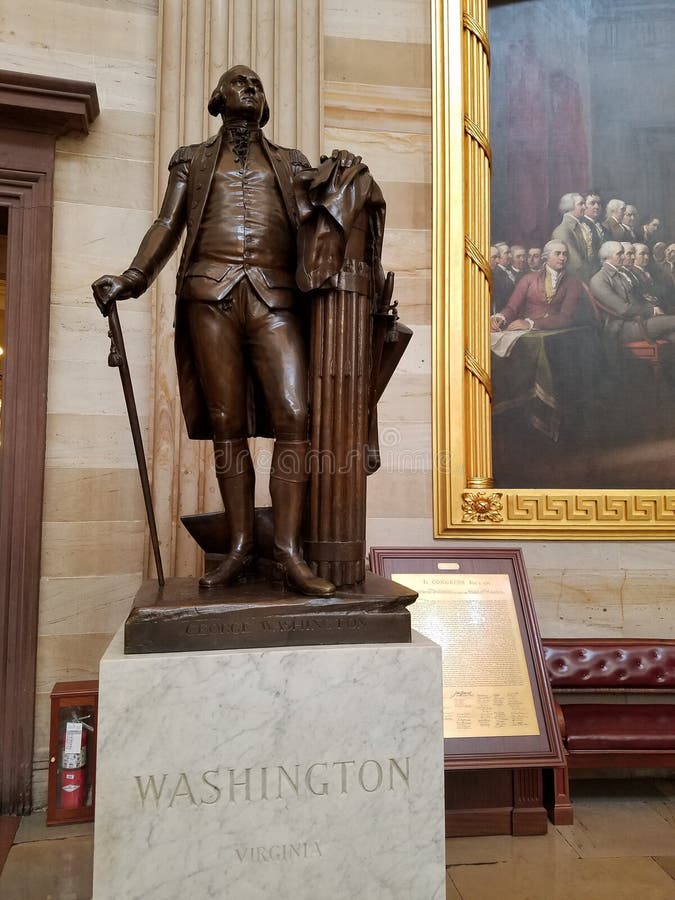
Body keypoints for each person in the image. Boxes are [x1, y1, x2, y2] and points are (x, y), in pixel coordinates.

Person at [92, 65, 359, 597]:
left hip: (275, 296)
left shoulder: (291, 163)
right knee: (226, 422)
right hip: (207, 294)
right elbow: (169, 224)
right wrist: (132, 278)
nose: (252, 88)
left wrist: (345, 174)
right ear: (218, 98)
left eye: (258, 84)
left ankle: (286, 550)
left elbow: (324, 217)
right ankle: (239, 546)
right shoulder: (191, 158)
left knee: (295, 414)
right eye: (240, 82)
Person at [590, 241, 675, 347]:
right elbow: (623, 309)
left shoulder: (622, 274)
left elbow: (639, 299)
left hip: (641, 321)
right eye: (619, 254)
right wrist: (652, 310)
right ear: (607, 256)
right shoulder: (599, 279)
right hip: (624, 327)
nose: (623, 256)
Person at [490, 240, 581, 332]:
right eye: (557, 254)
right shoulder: (528, 279)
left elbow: (566, 316)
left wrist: (532, 323)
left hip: (558, 334)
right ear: (546, 256)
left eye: (564, 254)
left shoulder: (573, 282)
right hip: (529, 334)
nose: (562, 258)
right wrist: (501, 317)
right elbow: (512, 307)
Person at [552, 193, 593, 281]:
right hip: (575, 281)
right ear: (569, 207)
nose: (585, 207)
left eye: (584, 204)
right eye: (580, 204)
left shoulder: (579, 226)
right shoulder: (562, 230)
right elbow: (576, 265)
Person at [491, 242, 516, 312]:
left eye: (510, 252)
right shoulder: (495, 275)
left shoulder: (509, 271)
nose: (510, 256)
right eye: (506, 253)